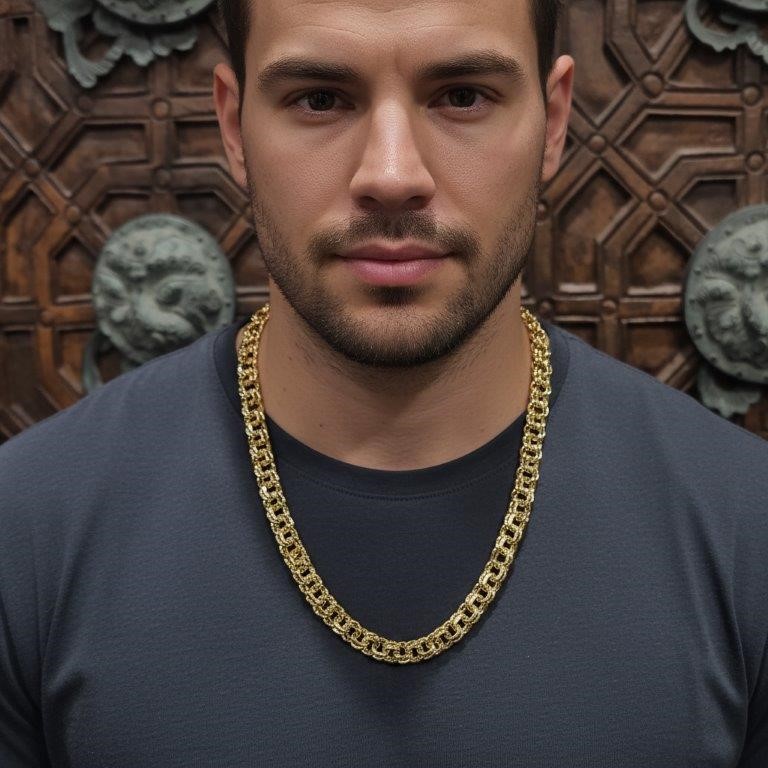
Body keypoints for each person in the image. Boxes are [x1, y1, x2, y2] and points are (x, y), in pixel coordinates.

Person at [1, 0, 767, 764]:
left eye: (462, 95)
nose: (392, 176)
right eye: (319, 99)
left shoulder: (746, 526)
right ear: (234, 128)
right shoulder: (26, 529)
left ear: (554, 120)